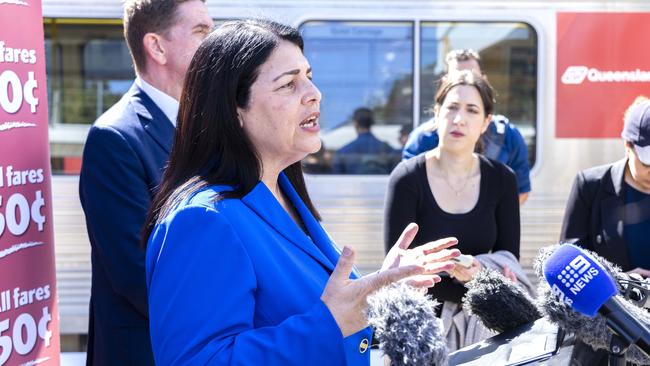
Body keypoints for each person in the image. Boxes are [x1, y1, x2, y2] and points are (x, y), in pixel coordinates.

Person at [142, 19, 460, 365]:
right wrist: (332, 322)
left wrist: (379, 288)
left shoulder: (281, 193)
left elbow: (324, 311)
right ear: (234, 110)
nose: (314, 93)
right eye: (289, 84)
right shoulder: (202, 220)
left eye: (308, 76)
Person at [78, 1, 213, 364]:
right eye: (201, 32)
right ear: (157, 47)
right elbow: (138, 273)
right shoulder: (115, 138)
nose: (213, 43)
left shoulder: (209, 128)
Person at [384, 70, 524, 351]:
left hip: (485, 328)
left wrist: (478, 271)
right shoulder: (406, 178)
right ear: (436, 113)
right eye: (451, 108)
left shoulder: (503, 180)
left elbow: (509, 261)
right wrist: (465, 276)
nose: (459, 119)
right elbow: (395, 269)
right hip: (419, 327)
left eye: (472, 110)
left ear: (485, 122)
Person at [560, 96, 650, 365]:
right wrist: (619, 283)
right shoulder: (591, 186)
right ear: (627, 146)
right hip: (603, 341)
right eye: (647, 163)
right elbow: (568, 266)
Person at [403, 49, 531, 204]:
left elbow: (521, 191)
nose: (459, 120)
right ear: (445, 82)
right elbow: (408, 194)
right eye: (457, 75)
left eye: (472, 75)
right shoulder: (422, 139)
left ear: (484, 78)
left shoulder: (509, 136)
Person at [332, 107, 399, 174]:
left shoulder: (342, 152)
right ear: (372, 123)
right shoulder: (389, 150)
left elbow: (337, 181)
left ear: (356, 123)